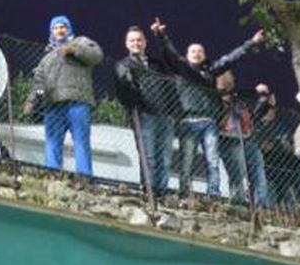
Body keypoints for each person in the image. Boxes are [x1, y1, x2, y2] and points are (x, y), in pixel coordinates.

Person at [153, 20, 264, 197]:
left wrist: (252, 43)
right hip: (187, 121)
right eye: (193, 51)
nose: (196, 54)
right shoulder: (182, 69)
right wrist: (161, 36)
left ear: (204, 55)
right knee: (187, 160)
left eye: (200, 51)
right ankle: (184, 192)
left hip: (208, 122)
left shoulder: (211, 71)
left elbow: (231, 58)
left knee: (212, 160)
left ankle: (213, 192)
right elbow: (170, 54)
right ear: (187, 55)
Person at [23, 15, 102, 177]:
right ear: (51, 32)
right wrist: (31, 100)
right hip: (53, 105)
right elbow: (39, 82)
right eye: (56, 28)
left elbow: (96, 55)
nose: (59, 30)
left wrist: (75, 50)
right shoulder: (46, 58)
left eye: (63, 27)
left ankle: (85, 178)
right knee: (52, 143)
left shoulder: (80, 42)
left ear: (69, 29)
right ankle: (53, 176)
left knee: (81, 142)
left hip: (77, 102)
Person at [114, 23, 179, 194]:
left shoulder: (157, 64)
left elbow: (170, 85)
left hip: (165, 115)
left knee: (165, 158)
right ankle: (149, 191)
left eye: (139, 40)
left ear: (145, 42)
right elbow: (123, 92)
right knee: (148, 156)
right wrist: (135, 106)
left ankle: (161, 192)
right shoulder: (123, 65)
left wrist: (173, 112)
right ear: (126, 44)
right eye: (132, 40)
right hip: (143, 116)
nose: (136, 43)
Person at [215, 70, 271, 206]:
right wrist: (255, 91)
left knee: (258, 168)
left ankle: (261, 202)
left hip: (246, 137)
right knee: (237, 171)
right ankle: (238, 200)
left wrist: (264, 99)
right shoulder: (215, 94)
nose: (232, 78)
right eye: (229, 76)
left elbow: (253, 114)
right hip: (228, 137)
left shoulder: (237, 98)